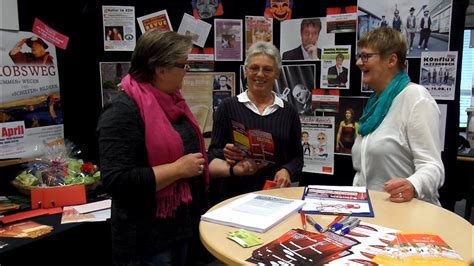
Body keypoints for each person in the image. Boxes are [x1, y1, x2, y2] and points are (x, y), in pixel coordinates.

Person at [97, 30, 258, 266]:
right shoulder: (122, 112)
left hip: (181, 230)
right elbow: (117, 181)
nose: (187, 70)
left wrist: (233, 170)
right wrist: (176, 170)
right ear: (160, 70)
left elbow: (194, 164)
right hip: (147, 242)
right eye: (183, 65)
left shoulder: (173, 104)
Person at [353, 27, 444, 205]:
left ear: (392, 60)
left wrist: (412, 184)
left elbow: (433, 167)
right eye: (359, 56)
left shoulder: (416, 98)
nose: (358, 62)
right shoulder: (375, 103)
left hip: (408, 216)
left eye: (366, 56)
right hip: (374, 213)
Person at [208, 41, 304, 202]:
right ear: (246, 71)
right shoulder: (227, 107)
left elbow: (297, 157)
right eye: (254, 68)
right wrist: (227, 153)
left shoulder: (288, 112)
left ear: (277, 74)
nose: (260, 74)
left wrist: (287, 171)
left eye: (267, 69)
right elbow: (212, 154)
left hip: (276, 196)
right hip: (234, 196)